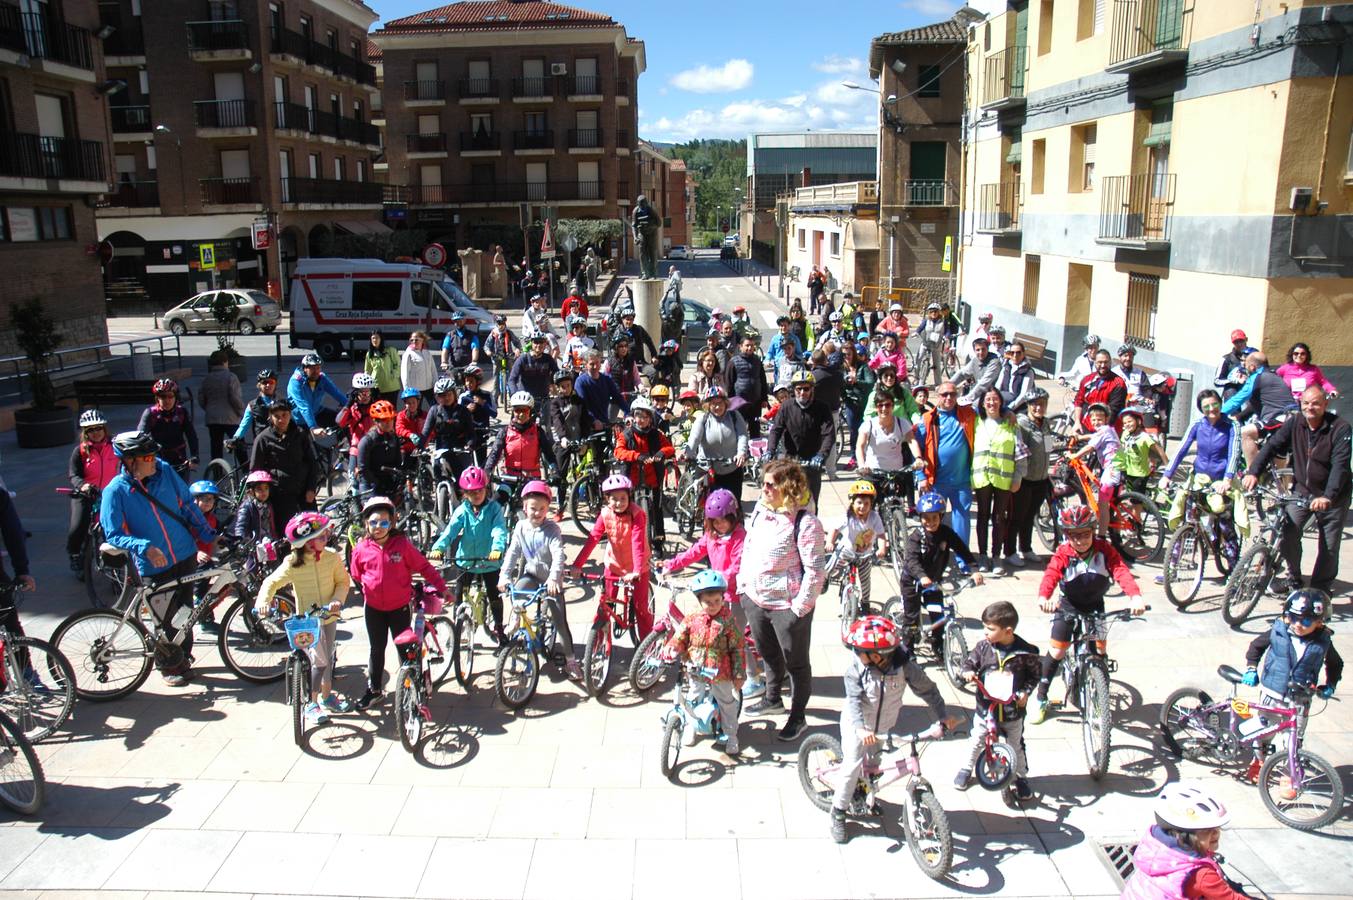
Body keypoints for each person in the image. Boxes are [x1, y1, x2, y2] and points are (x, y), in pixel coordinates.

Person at [101, 430, 216, 686]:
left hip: (184, 553)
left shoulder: (164, 471)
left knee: (185, 611)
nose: (153, 460)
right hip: (153, 564)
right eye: (147, 457)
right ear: (130, 461)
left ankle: (182, 656)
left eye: (153, 455)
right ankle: (168, 666)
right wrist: (144, 546)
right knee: (164, 617)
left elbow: (186, 504)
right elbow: (113, 534)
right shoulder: (115, 491)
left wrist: (208, 533)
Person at [828, 615, 955, 843]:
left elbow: (928, 690)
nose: (856, 654)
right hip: (858, 724)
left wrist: (943, 716)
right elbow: (854, 701)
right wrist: (860, 729)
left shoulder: (904, 667)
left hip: (884, 725)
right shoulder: (856, 670)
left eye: (860, 651)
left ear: (878, 655)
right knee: (852, 765)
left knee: (874, 766)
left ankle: (867, 796)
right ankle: (838, 812)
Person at [1029, 505, 1146, 724]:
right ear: (1067, 536)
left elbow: (1120, 570)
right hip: (1069, 605)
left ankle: (1100, 696)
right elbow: (1051, 574)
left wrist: (1135, 596)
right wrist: (1044, 598)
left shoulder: (1104, 550)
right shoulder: (1064, 552)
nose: (1081, 540)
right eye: (1074, 536)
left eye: (1085, 534)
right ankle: (1041, 697)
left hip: (1095, 605)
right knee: (1056, 650)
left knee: (1100, 650)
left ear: (1093, 531)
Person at [740, 459, 825, 742]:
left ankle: (797, 716)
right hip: (756, 599)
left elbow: (815, 572)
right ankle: (772, 698)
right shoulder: (762, 511)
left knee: (796, 664)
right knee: (768, 654)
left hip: (787, 607)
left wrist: (798, 610)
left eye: (769, 485)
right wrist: (744, 589)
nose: (763, 489)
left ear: (788, 488)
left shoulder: (806, 522)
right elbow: (749, 547)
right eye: (763, 483)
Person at [1242, 385, 1351, 593]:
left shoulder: (1340, 428)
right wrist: (1253, 472)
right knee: (1287, 532)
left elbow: (1340, 466)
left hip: (1333, 496)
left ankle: (1320, 589)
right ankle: (1293, 577)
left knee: (1329, 545)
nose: (1310, 407)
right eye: (1306, 403)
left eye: (1316, 403)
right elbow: (1272, 446)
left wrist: (1328, 496)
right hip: (1303, 490)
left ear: (1325, 404)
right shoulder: (1296, 422)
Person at [348, 495, 447, 710]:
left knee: (406, 650)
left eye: (384, 522)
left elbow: (424, 567)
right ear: (366, 523)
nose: (378, 527)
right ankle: (374, 690)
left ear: (392, 523)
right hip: (374, 609)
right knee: (377, 649)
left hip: (399, 608)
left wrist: (442, 587)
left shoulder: (402, 545)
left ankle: (413, 687)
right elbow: (356, 574)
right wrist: (368, 589)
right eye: (373, 522)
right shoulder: (361, 549)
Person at [258, 512, 351, 725]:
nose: (324, 539)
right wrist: (263, 602)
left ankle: (327, 696)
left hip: (328, 616)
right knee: (319, 661)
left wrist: (337, 599)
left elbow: (342, 582)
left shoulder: (331, 557)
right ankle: (312, 702)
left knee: (327, 659)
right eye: (319, 537)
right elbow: (271, 583)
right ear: (306, 543)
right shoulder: (293, 563)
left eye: (324, 535)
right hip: (306, 621)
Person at [663, 489, 758, 688]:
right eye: (715, 521)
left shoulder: (741, 537)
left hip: (735, 596)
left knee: (735, 639)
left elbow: (736, 567)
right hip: (716, 594)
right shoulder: (711, 535)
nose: (720, 524)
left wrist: (718, 580)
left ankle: (753, 678)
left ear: (734, 516)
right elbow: (694, 552)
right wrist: (671, 564)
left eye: (724, 519)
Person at [1241, 590, 1341, 768]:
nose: (1298, 625)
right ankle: (1259, 761)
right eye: (1293, 618)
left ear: (1319, 622)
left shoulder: (1323, 641)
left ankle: (1290, 773)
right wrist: (1251, 668)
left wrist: (1330, 685)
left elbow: (1335, 664)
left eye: (1306, 621)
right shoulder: (1277, 631)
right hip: (1272, 693)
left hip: (1300, 698)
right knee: (1264, 731)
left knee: (1294, 738)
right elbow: (1256, 647)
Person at [953, 601, 1040, 801]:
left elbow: (1034, 676)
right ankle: (967, 768)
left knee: (1015, 744)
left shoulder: (1026, 652)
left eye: (990, 629)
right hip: (987, 708)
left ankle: (1020, 777)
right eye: (984, 627)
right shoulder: (984, 647)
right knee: (977, 739)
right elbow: (969, 662)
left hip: (1012, 710)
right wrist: (967, 672)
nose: (985, 632)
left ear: (1008, 631)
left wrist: (1025, 692)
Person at [498, 479, 581, 678]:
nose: (537, 513)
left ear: (547, 509)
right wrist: (504, 575)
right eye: (533, 508)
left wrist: (554, 579)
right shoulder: (520, 527)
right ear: (525, 507)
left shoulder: (552, 530)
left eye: (542, 509)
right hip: (532, 575)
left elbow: (558, 555)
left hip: (550, 581)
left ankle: (571, 660)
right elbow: (513, 552)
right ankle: (517, 618)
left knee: (560, 621)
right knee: (517, 591)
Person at [662, 569, 747, 756]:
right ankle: (692, 727)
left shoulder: (727, 620)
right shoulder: (693, 618)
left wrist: (739, 674)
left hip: (720, 671)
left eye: (717, 601)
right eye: (708, 602)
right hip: (696, 668)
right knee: (693, 698)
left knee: (727, 702)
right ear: (699, 601)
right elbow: (680, 636)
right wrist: (673, 647)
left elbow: (738, 648)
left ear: (723, 599)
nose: (713, 606)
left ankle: (731, 734)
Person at [1120, 782, 1253, 900]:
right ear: (1186, 837)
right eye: (1207, 831)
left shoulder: (1154, 847)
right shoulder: (1201, 874)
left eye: (1216, 828)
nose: (1216, 833)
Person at [571, 473, 654, 638]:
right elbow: (593, 538)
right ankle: (597, 644)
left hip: (637, 567)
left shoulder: (637, 514)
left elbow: (637, 543)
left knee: (641, 609)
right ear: (606, 499)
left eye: (623, 498)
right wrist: (577, 564)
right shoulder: (605, 514)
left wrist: (637, 570)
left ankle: (647, 646)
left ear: (629, 497)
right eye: (614, 499)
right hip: (614, 564)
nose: (619, 503)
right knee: (605, 605)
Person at [431, 466, 508, 640]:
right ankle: (457, 629)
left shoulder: (494, 508)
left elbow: (499, 530)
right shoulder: (462, 511)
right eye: (471, 492)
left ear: (486, 489)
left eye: (480, 490)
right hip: (465, 560)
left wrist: (497, 548)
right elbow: (450, 531)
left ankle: (499, 628)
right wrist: (439, 547)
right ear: (464, 493)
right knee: (459, 595)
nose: (477, 495)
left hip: (489, 561)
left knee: (494, 595)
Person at [900, 492, 982, 650]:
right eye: (926, 518)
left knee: (938, 615)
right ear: (921, 517)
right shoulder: (917, 537)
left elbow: (961, 549)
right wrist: (921, 576)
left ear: (941, 516)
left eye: (934, 518)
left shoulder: (946, 533)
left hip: (934, 582)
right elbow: (912, 560)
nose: (930, 522)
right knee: (912, 618)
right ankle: (908, 652)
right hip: (913, 582)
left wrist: (974, 569)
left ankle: (938, 646)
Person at [972, 388, 1028, 575]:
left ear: (1001, 403)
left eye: (995, 399)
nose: (991, 403)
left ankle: (997, 557)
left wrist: (1018, 476)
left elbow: (1020, 453)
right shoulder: (976, 422)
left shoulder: (1011, 424)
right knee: (982, 516)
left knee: (998, 518)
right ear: (982, 403)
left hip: (1004, 477)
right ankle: (982, 555)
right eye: (988, 399)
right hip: (981, 476)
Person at [916, 381, 977, 542]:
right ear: (938, 396)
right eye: (944, 394)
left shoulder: (969, 414)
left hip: (962, 481)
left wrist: (1007, 412)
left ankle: (962, 558)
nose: (949, 397)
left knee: (962, 520)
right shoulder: (928, 419)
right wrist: (920, 476)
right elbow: (916, 451)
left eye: (953, 394)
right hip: (936, 482)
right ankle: (935, 556)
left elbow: (992, 408)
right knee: (933, 522)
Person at [766, 370, 835, 505]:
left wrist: (821, 455)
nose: (802, 393)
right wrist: (770, 450)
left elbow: (829, 434)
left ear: (812, 390)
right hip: (791, 460)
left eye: (806, 389)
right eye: (799, 389)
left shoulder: (822, 408)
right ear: (794, 390)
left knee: (812, 502)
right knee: (787, 501)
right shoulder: (786, 407)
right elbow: (776, 430)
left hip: (812, 463)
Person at [249, 398, 319, 527]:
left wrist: (311, 488)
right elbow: (255, 470)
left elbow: (312, 463)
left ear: (290, 414)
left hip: (304, 492)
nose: (281, 420)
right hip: (280, 495)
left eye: (284, 415)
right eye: (277, 416)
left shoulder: (301, 434)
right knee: (286, 533)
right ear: (271, 417)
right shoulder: (263, 439)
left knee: (313, 529)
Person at [66, 409, 118, 572]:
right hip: (87, 494)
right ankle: (75, 555)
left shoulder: (116, 446)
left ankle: (119, 564)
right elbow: (73, 474)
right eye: (90, 430)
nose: (95, 432)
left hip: (110, 494)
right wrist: (83, 485)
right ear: (85, 432)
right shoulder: (80, 451)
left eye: (98, 428)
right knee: (77, 526)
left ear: (104, 428)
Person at [826, 481, 888, 615]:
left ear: (871, 504)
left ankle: (865, 602)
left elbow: (881, 535)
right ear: (852, 502)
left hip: (865, 555)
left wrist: (881, 549)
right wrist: (830, 542)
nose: (862, 507)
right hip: (847, 552)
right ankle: (824, 578)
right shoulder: (848, 517)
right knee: (833, 567)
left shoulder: (874, 517)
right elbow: (834, 529)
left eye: (867, 503)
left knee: (865, 580)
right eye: (859, 502)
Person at [1160, 389, 1242, 490]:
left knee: (1219, 506)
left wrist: (1227, 480)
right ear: (1201, 409)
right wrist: (1167, 475)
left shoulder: (1232, 426)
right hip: (1198, 478)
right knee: (1181, 502)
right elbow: (1181, 450)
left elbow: (1234, 454)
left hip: (1222, 480)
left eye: (1215, 404)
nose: (1211, 409)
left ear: (1221, 404)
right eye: (1206, 406)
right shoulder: (1197, 424)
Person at [1009, 388, 1055, 565]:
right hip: (1024, 480)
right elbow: (1019, 453)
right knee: (1016, 517)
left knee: (1030, 516)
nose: (1038, 407)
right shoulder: (1022, 424)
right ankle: (1011, 551)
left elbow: (1048, 448)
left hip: (1041, 479)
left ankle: (1026, 548)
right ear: (1028, 405)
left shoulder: (1046, 423)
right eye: (1035, 404)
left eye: (1042, 404)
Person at [684, 386, 749, 503]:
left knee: (734, 504)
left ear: (726, 403)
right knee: (702, 503)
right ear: (708, 405)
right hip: (707, 467)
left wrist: (741, 453)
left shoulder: (734, 416)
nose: (717, 407)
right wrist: (689, 453)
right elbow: (694, 438)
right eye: (713, 404)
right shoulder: (703, 419)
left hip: (731, 467)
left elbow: (742, 435)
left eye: (720, 403)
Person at [1068, 403, 1121, 538]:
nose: (1096, 422)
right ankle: (1117, 534)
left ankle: (1101, 536)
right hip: (1119, 469)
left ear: (1106, 420)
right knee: (1113, 502)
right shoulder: (1109, 430)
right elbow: (1093, 437)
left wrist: (1074, 455)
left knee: (1102, 505)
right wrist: (1080, 437)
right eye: (1093, 419)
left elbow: (1090, 447)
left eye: (1099, 419)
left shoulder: (1103, 431)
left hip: (1111, 470)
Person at [486, 392, 556, 480]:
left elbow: (549, 454)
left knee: (541, 493)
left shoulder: (538, 431)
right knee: (500, 494)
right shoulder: (505, 432)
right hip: (509, 478)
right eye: (518, 410)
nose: (521, 414)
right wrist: (487, 470)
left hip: (532, 479)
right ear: (513, 411)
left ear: (530, 411)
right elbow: (494, 454)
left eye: (524, 410)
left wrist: (555, 471)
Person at [138, 378, 198, 476]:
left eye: (170, 396)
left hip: (179, 458)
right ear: (157, 398)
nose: (167, 400)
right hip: (158, 459)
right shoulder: (150, 414)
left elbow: (191, 435)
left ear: (176, 398)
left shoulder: (181, 413)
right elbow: (140, 435)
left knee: (181, 489)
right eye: (163, 397)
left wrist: (194, 455)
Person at [421, 378, 476, 482]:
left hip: (459, 450)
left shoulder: (463, 411)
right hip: (441, 449)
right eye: (442, 395)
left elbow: (471, 433)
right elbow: (426, 432)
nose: (446, 397)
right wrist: (419, 445)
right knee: (438, 477)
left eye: (449, 394)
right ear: (437, 397)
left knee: (463, 481)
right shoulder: (434, 411)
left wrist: (470, 444)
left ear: (454, 394)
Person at [198, 350, 244, 461]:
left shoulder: (207, 378)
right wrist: (240, 412)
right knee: (238, 443)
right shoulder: (231, 377)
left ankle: (217, 471)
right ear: (225, 362)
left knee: (216, 446)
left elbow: (201, 399)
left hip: (212, 417)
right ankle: (245, 468)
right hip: (230, 417)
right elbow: (234, 397)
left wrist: (208, 408)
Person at [507, 334, 561, 430]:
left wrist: (559, 385)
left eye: (541, 342)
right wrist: (515, 395)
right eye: (536, 342)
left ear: (545, 344)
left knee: (546, 429)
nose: (538, 345)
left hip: (543, 398)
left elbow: (558, 375)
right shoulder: (523, 359)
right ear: (531, 343)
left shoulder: (548, 359)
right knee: (518, 428)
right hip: (524, 400)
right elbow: (512, 380)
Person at [287, 352, 347, 433]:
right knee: (309, 444)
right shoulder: (296, 381)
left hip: (317, 411)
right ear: (305, 368)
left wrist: (350, 406)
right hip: (300, 418)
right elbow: (304, 406)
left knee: (342, 422)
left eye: (318, 368)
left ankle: (340, 444)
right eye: (312, 368)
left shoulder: (322, 378)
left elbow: (337, 394)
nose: (316, 371)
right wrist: (313, 427)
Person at [355, 400, 403, 498]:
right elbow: (363, 470)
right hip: (370, 482)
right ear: (376, 421)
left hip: (387, 481)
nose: (389, 423)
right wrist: (377, 483)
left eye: (391, 419)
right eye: (384, 420)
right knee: (376, 511)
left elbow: (398, 462)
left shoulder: (394, 438)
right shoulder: (367, 441)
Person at [1071, 350, 1128, 433]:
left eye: (1106, 362)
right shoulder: (1087, 380)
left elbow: (1113, 411)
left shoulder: (1118, 383)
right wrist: (1077, 422)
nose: (1102, 365)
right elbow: (1079, 401)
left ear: (1110, 362)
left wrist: (1098, 434)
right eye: (1099, 362)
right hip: (1085, 425)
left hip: (1106, 430)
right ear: (1095, 362)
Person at [1117, 408, 1168, 497]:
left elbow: (1160, 452)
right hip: (1126, 471)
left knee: (1137, 501)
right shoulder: (1125, 434)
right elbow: (1121, 450)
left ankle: (1139, 509)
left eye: (1129, 422)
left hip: (1140, 474)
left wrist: (1168, 470)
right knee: (1130, 495)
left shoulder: (1145, 437)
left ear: (1139, 421)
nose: (1127, 425)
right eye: (1125, 423)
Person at [230, 369, 282, 455]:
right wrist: (236, 438)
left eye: (271, 382)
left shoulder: (282, 402)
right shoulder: (252, 405)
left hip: (279, 441)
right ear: (259, 385)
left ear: (275, 384)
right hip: (262, 443)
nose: (268, 385)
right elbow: (244, 425)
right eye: (265, 382)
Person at [336, 372, 377, 478]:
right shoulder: (352, 408)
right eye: (363, 394)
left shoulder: (375, 407)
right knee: (353, 479)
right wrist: (348, 405)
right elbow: (339, 421)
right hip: (356, 448)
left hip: (374, 447)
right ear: (356, 394)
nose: (366, 397)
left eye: (368, 393)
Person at [230, 470, 277, 547]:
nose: (264, 492)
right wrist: (239, 540)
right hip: (253, 545)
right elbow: (241, 526)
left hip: (267, 542)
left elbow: (271, 525)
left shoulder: (268, 505)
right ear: (252, 491)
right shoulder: (247, 506)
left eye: (266, 488)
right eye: (259, 489)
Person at [956, 336, 1001, 407]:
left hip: (991, 394)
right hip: (978, 392)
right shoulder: (975, 360)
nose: (981, 352)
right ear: (974, 351)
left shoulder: (994, 362)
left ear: (988, 349)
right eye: (978, 350)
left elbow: (984, 384)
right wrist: (948, 384)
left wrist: (968, 398)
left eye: (983, 349)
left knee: (971, 406)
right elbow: (962, 373)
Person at [995, 342, 1038, 413]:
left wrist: (1010, 408)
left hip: (1020, 405)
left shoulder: (1028, 371)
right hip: (1005, 400)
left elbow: (1024, 395)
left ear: (1023, 354)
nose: (1015, 355)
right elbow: (998, 386)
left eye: (1018, 353)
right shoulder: (1006, 367)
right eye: (1012, 353)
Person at [363, 330, 403, 401]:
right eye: (373, 338)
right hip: (376, 387)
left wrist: (394, 374)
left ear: (381, 339)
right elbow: (367, 371)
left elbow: (398, 364)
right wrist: (366, 385)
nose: (375, 340)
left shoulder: (390, 350)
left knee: (391, 409)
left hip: (391, 387)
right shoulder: (369, 354)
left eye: (377, 338)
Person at [401, 331, 438, 404]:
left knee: (435, 407)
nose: (414, 341)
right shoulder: (408, 354)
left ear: (422, 340)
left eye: (416, 339)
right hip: (415, 390)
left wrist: (436, 385)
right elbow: (404, 373)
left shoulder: (427, 353)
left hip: (429, 388)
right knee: (416, 411)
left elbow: (433, 370)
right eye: (412, 340)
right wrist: (407, 390)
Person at [1214, 328, 1251, 400]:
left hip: (1250, 389)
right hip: (1234, 391)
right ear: (1233, 343)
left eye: (1241, 341)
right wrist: (1234, 380)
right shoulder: (1226, 359)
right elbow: (1217, 381)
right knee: (1230, 391)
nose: (1239, 344)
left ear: (1246, 339)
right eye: (1236, 342)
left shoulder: (1254, 355)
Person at [394, 388, 426, 456]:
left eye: (414, 402)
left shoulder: (424, 415)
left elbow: (431, 429)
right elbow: (399, 429)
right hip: (406, 448)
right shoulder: (401, 415)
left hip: (422, 447)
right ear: (405, 404)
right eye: (408, 403)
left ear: (418, 402)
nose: (411, 405)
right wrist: (410, 435)